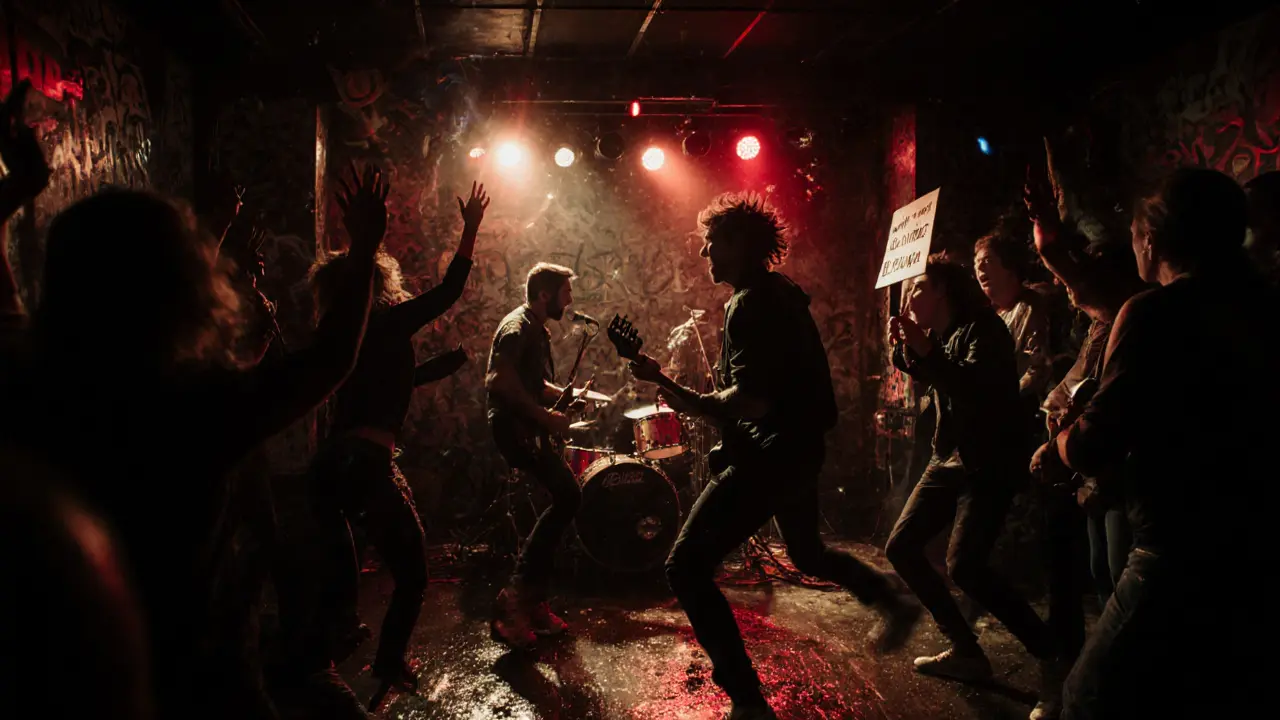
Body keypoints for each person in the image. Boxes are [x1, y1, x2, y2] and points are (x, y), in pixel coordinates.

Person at [0, 160, 386, 720]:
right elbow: (329, 359)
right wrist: (364, 248)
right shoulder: (188, 407)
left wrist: (12, 195)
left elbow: (6, 306)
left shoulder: (26, 379)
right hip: (198, 686)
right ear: (183, 290)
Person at [628, 193, 920, 720]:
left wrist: (670, 387)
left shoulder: (749, 303)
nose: (705, 256)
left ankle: (747, 700)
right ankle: (892, 600)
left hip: (772, 456)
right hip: (799, 449)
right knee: (806, 554)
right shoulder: (781, 292)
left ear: (739, 245)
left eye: (712, 244)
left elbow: (753, 400)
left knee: (685, 566)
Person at [1032, 168, 1275, 719]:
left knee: (1086, 698)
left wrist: (1062, 436)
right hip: (1255, 542)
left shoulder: (1153, 312)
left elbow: (1097, 442)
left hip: (1176, 546)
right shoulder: (1262, 305)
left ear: (1154, 239)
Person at [304, 182, 488, 690]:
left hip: (332, 467)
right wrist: (470, 229)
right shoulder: (385, 317)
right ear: (379, 281)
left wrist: (434, 369)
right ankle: (382, 663)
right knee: (413, 574)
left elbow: (381, 383)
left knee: (344, 565)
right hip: (365, 463)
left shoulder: (344, 331)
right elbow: (450, 291)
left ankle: (327, 652)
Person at [885, 258, 1058, 694]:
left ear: (942, 290)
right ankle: (965, 649)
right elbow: (933, 371)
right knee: (902, 546)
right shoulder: (946, 333)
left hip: (988, 462)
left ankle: (1053, 658)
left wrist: (922, 349)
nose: (910, 298)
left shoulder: (985, 329)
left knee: (965, 567)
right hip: (949, 458)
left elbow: (971, 386)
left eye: (918, 288)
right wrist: (906, 350)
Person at [485, 262, 591, 649]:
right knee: (569, 496)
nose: (571, 300)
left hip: (524, 427)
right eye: (566, 292)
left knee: (566, 497)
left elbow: (529, 383)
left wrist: (563, 400)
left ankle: (532, 602)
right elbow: (499, 379)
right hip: (515, 430)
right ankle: (515, 599)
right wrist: (546, 418)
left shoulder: (534, 327)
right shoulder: (519, 326)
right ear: (545, 294)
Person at [973, 232, 1052, 405]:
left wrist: (1002, 401)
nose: (979, 269)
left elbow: (1039, 367)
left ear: (1009, 267)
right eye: (976, 263)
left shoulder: (1032, 305)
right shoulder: (990, 317)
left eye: (987, 261)